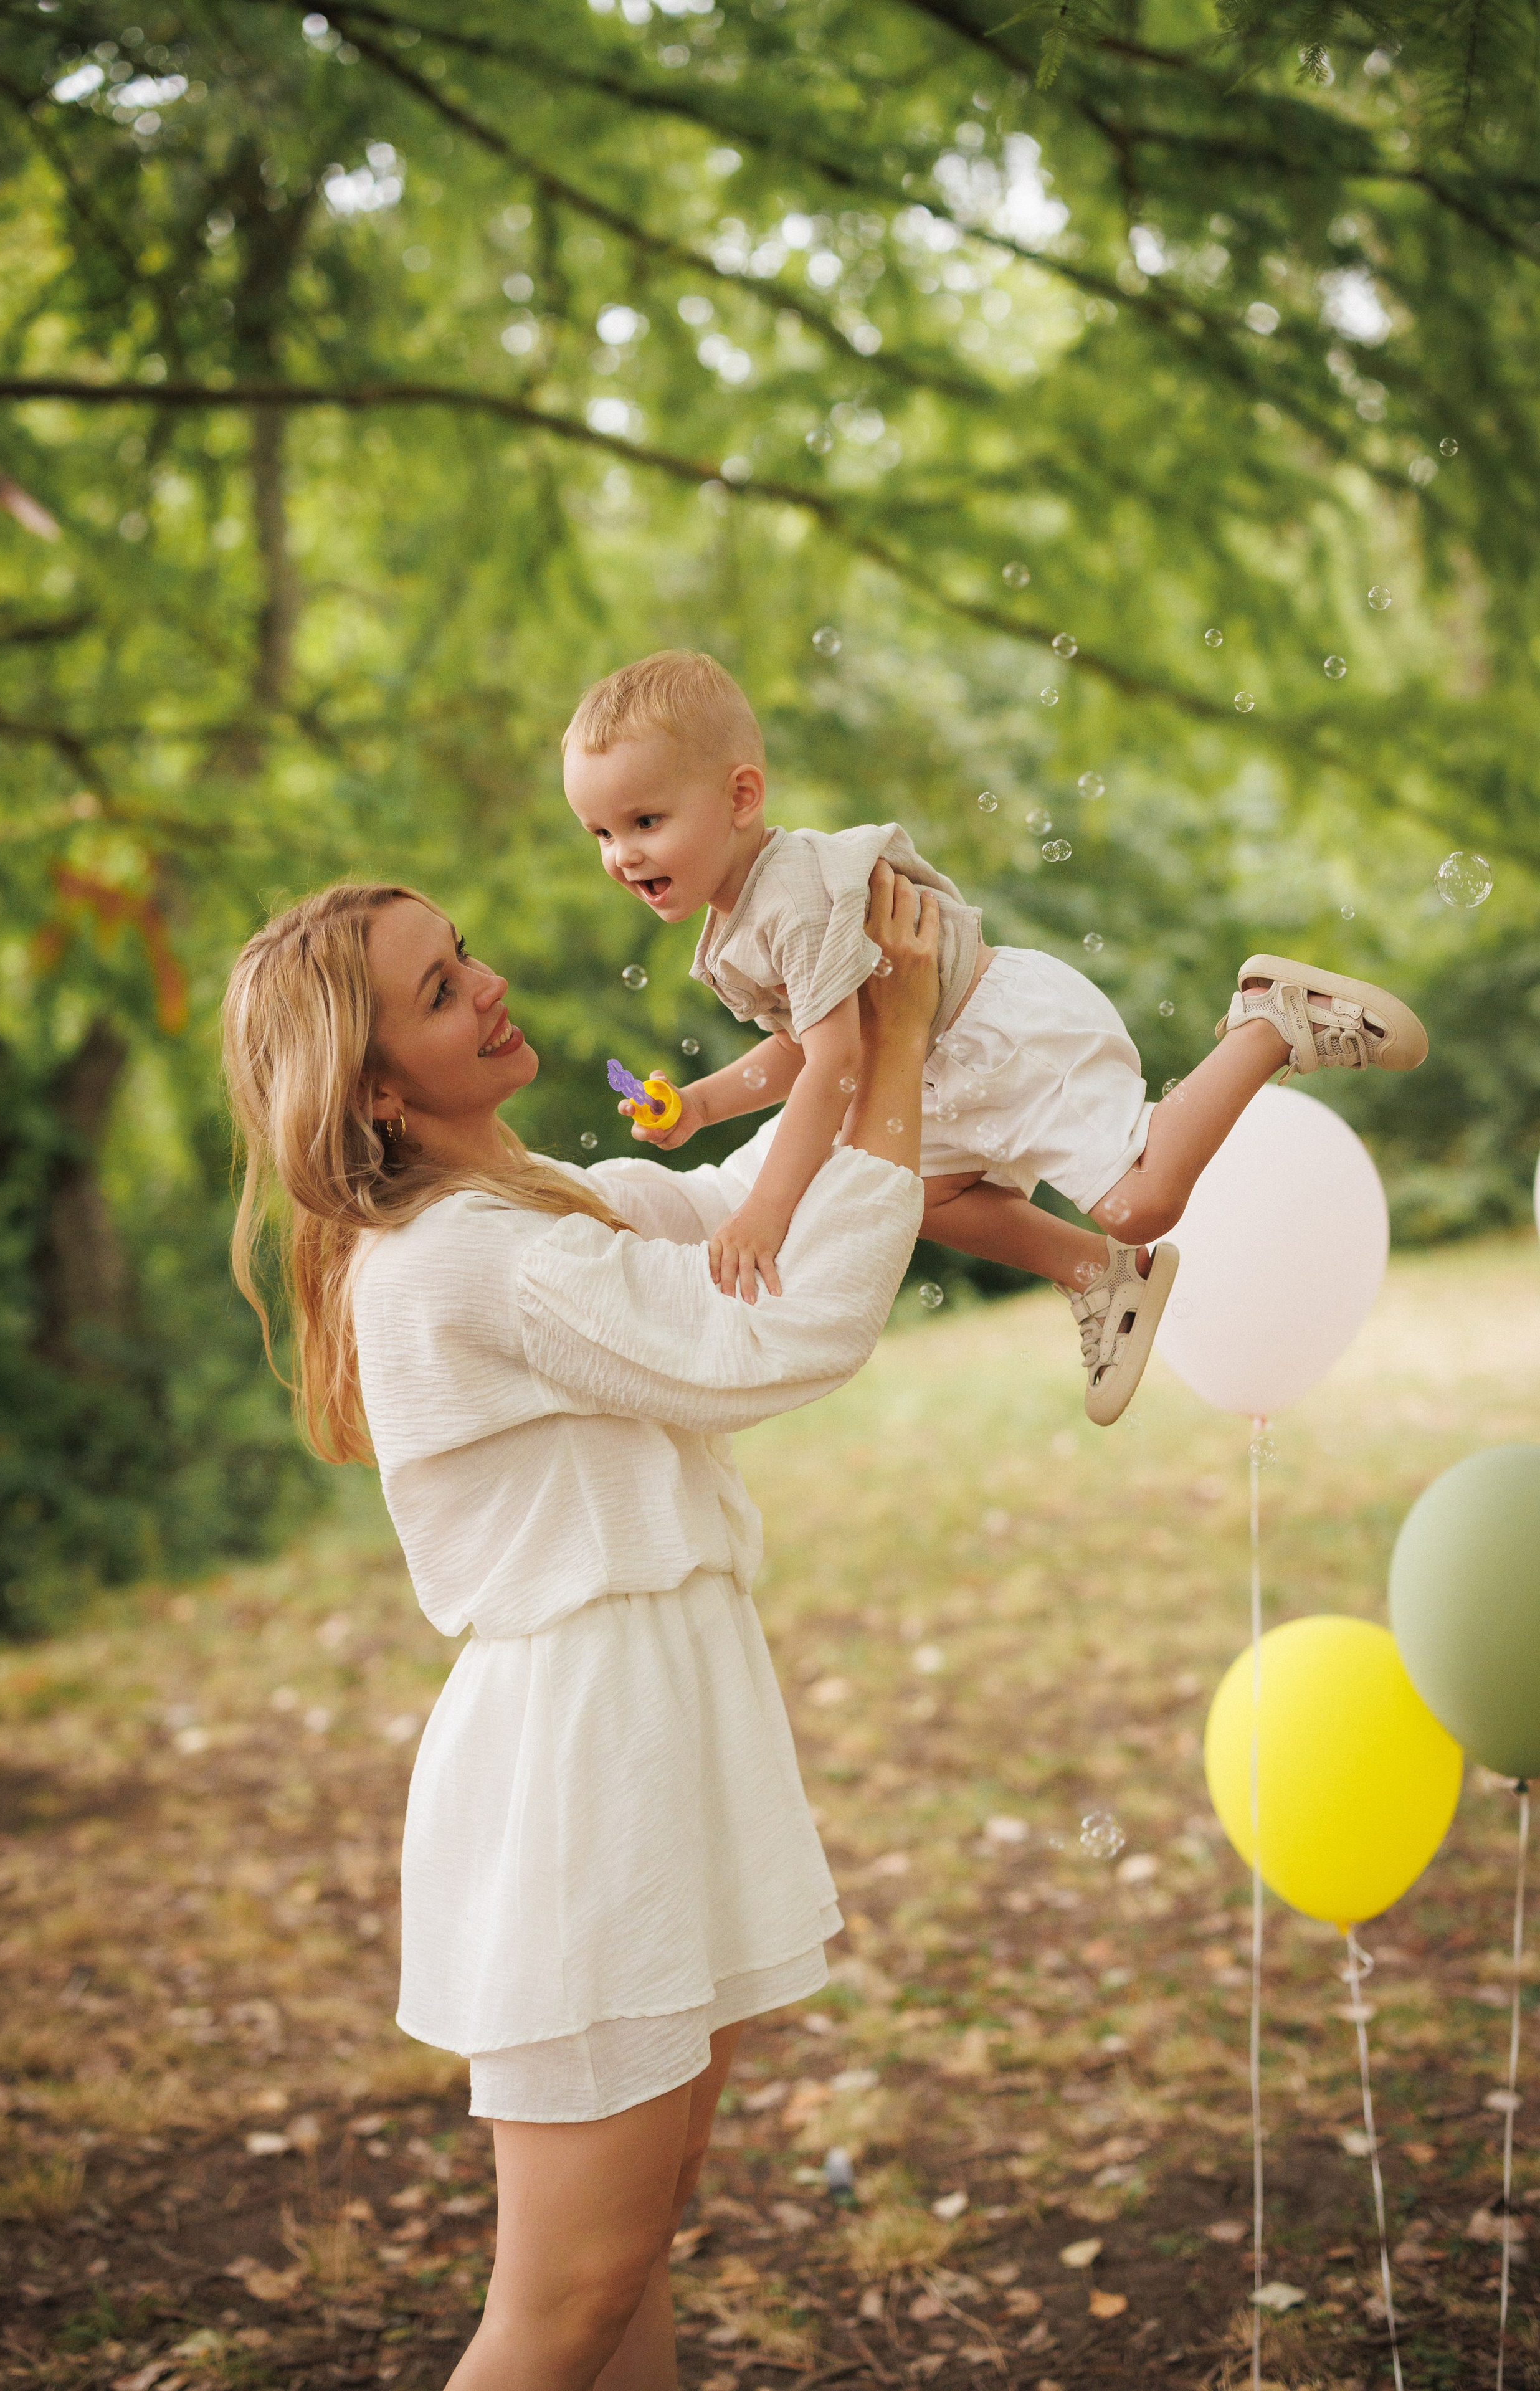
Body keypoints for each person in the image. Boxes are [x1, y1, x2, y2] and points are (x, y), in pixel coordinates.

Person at [220, 862, 941, 2391]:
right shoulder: (465, 1263)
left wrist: (860, 1031)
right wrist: (898, 1037)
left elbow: (748, 1205)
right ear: (377, 1098)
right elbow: (776, 1332)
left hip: (666, 1717)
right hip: (580, 1759)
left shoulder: (541, 1199)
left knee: (638, 2238)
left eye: (458, 953)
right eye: (436, 990)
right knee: (567, 2288)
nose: (484, 983)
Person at [562, 648, 1429, 1424]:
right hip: (935, 1072)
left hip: (1002, 1034)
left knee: (1142, 1203)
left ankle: (1269, 1021)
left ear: (741, 795)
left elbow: (831, 1066)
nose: (622, 855)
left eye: (645, 822)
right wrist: (702, 1107)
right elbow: (808, 1043)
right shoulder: (737, 923)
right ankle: (1100, 1275)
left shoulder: (789, 895)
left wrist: (766, 1209)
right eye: (601, 832)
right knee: (915, 1197)